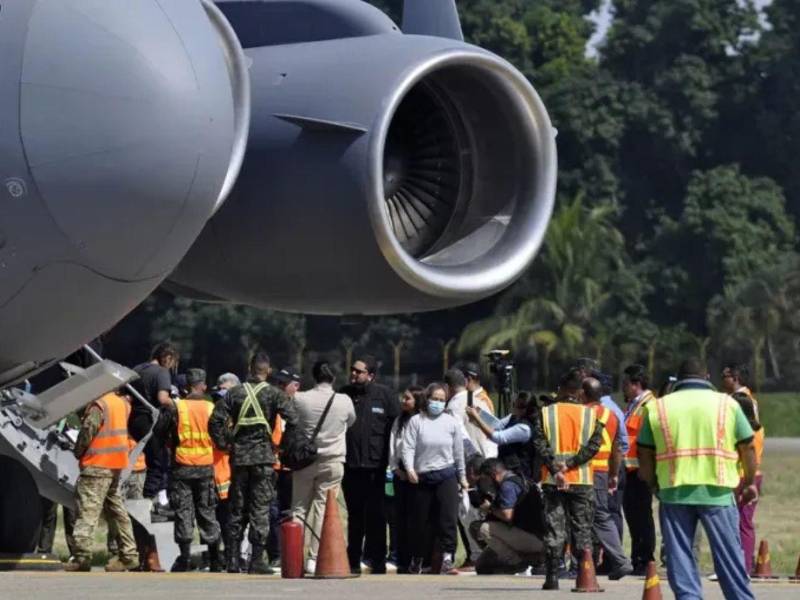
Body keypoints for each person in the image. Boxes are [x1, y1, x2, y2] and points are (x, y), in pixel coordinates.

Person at [637, 358, 757, 600]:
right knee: (729, 557)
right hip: (718, 491)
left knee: (680, 557)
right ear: (707, 378)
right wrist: (749, 481)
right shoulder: (728, 404)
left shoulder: (657, 407)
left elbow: (644, 453)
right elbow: (748, 447)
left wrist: (652, 483)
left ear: (679, 381)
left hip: (673, 490)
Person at [209, 352, 298, 574]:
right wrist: (282, 446)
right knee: (260, 508)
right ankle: (257, 560)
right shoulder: (274, 394)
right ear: (268, 371)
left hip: (239, 459)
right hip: (264, 460)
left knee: (237, 508)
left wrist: (225, 444)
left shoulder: (234, 393)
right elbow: (294, 420)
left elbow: (215, 421)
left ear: (250, 368)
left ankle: (232, 559)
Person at [531, 368, 605, 590]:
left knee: (555, 529)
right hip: (581, 481)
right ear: (579, 392)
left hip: (554, 482)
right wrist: (571, 464)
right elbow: (593, 447)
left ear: (561, 389)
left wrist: (556, 469)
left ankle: (552, 577)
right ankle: (585, 576)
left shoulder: (545, 414)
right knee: (582, 528)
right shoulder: (591, 415)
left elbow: (539, 445)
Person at [153, 368, 222, 572]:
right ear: (203, 386)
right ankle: (215, 558)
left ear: (185, 387)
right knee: (207, 511)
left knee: (184, 512)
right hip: (205, 468)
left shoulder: (177, 407)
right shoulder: (212, 408)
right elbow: (222, 437)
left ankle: (184, 559)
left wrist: (170, 443)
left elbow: (159, 431)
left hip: (182, 467)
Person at [292, 361, 356, 574]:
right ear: (334, 379)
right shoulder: (344, 400)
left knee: (298, 509)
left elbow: (293, 422)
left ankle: (294, 558)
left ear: (313, 377)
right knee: (323, 509)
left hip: (304, 461)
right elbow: (350, 422)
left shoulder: (300, 399)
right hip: (333, 460)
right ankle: (314, 559)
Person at [65, 391, 140, 572]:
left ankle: (81, 557)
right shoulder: (122, 404)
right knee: (117, 511)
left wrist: (78, 451)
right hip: (115, 465)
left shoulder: (100, 405)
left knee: (87, 511)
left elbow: (88, 430)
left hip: (97, 465)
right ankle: (128, 555)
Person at [339, 356, 398, 575]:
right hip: (352, 467)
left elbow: (396, 428)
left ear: (370, 375)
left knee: (377, 516)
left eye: (359, 371)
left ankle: (378, 561)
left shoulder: (385, 396)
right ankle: (353, 559)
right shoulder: (343, 394)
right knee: (355, 516)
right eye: (353, 371)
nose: (354, 374)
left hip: (377, 468)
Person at [401, 382, 467, 575]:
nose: (437, 403)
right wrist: (410, 468)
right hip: (421, 477)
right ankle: (418, 558)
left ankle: (447, 558)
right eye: (434, 399)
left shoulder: (452, 423)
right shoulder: (416, 421)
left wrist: (462, 477)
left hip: (446, 475)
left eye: (441, 400)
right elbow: (408, 447)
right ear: (427, 399)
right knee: (420, 521)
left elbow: (458, 452)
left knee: (447, 519)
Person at [582, 377, 633, 580]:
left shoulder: (583, 414)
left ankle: (617, 561)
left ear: (583, 394)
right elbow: (617, 448)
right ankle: (609, 561)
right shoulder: (611, 414)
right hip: (603, 471)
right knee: (601, 514)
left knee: (592, 516)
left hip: (585, 471)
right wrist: (613, 474)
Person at [129, 342, 180, 516]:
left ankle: (149, 498)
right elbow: (163, 398)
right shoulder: (161, 372)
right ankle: (148, 502)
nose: (172, 367)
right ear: (167, 358)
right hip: (149, 421)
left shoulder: (138, 368)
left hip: (133, 420)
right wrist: (179, 406)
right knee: (158, 463)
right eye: (172, 362)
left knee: (148, 460)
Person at [469, 458, 544, 574]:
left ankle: (517, 562)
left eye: (486, 479)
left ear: (494, 475)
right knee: (482, 566)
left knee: (483, 528)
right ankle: (526, 559)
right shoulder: (520, 479)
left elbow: (507, 515)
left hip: (533, 538)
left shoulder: (508, 486)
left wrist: (488, 508)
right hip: (535, 536)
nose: (486, 483)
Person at [443, 368, 481, 568]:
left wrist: (467, 463)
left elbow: (459, 437)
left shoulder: (453, 406)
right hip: (483, 460)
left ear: (448, 388)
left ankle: (475, 555)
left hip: (468, 464)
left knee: (465, 510)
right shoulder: (477, 398)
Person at [621, 363, 657, 575]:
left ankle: (645, 560)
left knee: (642, 517)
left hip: (641, 471)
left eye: (625, 384)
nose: (623, 388)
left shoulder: (648, 406)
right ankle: (638, 558)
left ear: (636, 384)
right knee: (634, 517)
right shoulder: (634, 405)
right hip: (630, 470)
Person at [267, 366, 302, 569]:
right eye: (278, 383)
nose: (279, 387)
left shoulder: (298, 406)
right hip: (272, 465)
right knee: (271, 511)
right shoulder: (271, 404)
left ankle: (291, 554)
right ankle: (275, 554)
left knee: (288, 512)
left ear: (295, 386)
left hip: (290, 468)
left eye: (284, 384)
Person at [388, 385, 424, 573]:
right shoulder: (399, 420)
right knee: (398, 517)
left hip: (420, 474)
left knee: (416, 518)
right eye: (403, 397)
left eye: (408, 398)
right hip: (401, 474)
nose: (404, 401)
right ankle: (399, 558)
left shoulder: (422, 420)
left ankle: (416, 558)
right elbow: (394, 446)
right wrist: (396, 469)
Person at [466, 391, 538, 481]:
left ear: (526, 410)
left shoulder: (524, 428)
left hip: (519, 475)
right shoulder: (513, 417)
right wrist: (479, 413)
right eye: (514, 403)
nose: (514, 406)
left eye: (517, 405)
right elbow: (495, 426)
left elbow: (499, 437)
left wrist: (476, 417)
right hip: (506, 468)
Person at [731, 389, 765, 576]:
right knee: (743, 522)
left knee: (740, 522)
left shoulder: (743, 432)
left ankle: (741, 566)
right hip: (753, 475)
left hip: (742, 477)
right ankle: (743, 563)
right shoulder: (759, 428)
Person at [459, 363, 497, 458]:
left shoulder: (482, 400)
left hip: (481, 452)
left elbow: (491, 426)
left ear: (469, 379)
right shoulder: (470, 397)